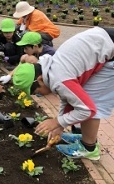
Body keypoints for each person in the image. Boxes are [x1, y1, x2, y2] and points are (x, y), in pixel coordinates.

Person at [12, 27, 114, 161]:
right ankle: (85, 137)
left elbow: (88, 110)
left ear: (40, 79)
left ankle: (89, 148)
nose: (38, 95)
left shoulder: (60, 78)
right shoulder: (51, 69)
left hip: (110, 50)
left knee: (91, 101)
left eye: (36, 91)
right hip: (105, 43)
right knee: (83, 96)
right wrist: (60, 125)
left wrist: (57, 121)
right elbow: (67, 97)